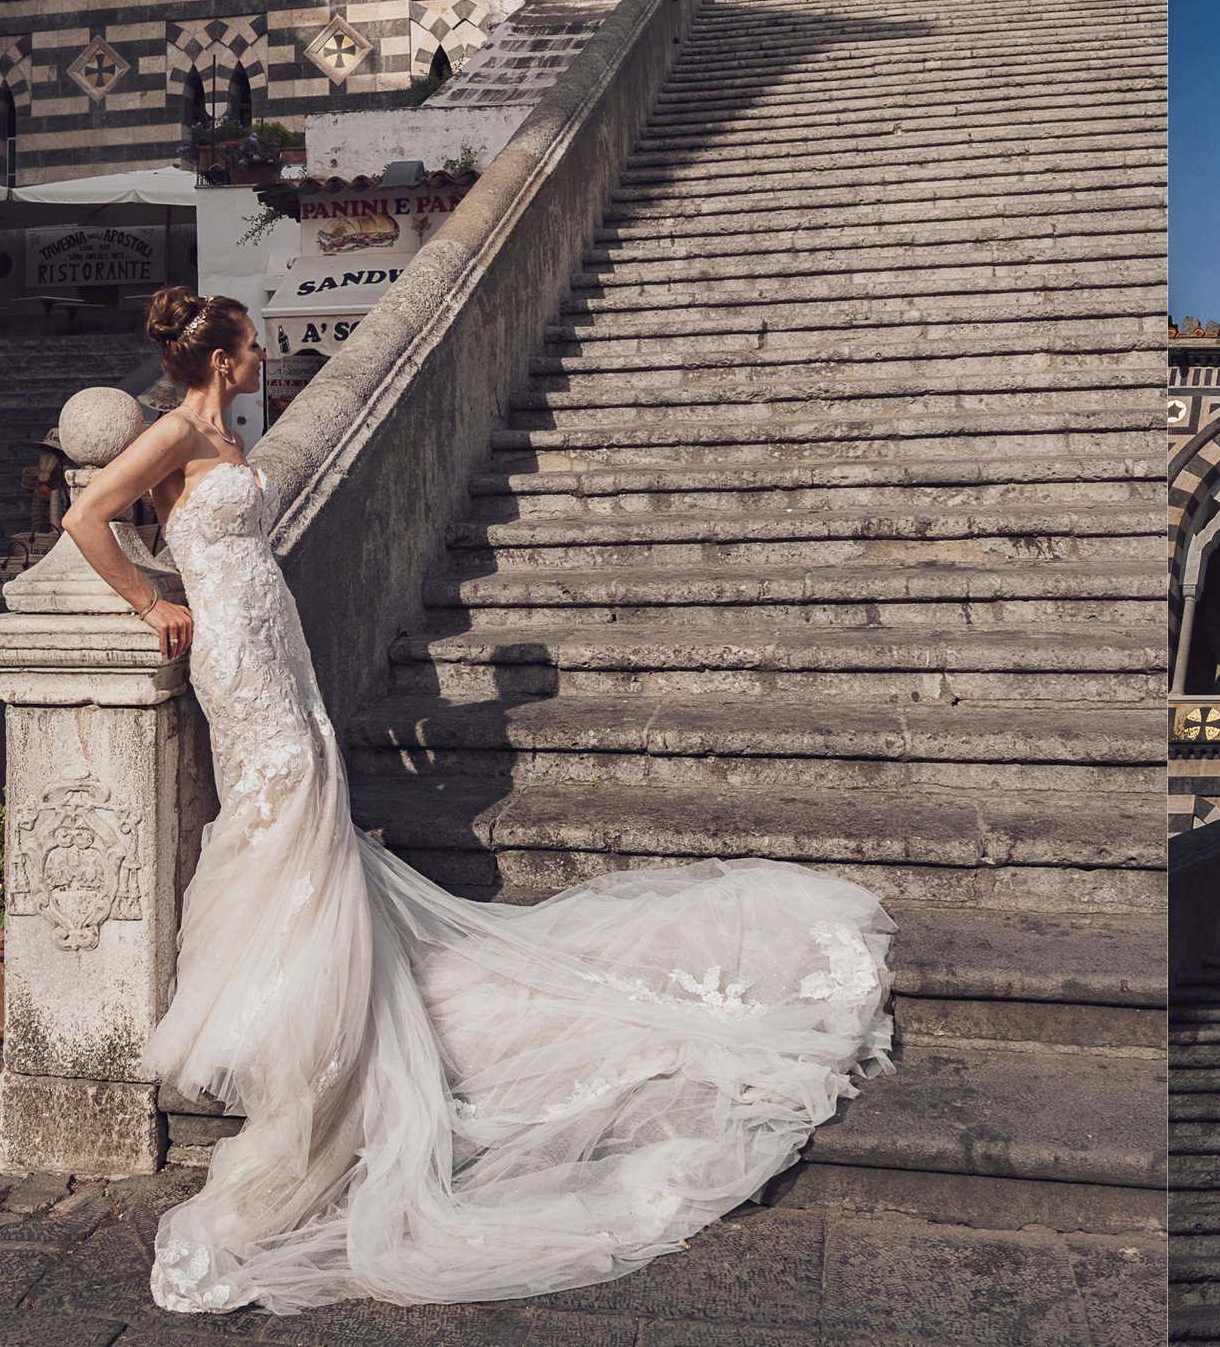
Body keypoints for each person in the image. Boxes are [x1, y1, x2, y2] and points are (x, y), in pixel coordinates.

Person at [63, 288, 894, 1314]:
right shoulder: (173, 435)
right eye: (253, 348)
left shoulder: (228, 434)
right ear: (224, 360)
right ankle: (301, 1029)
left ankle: (333, 998)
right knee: (275, 824)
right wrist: (152, 601)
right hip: (234, 658)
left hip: (276, 648)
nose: (264, 358)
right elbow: (83, 514)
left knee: (311, 822)